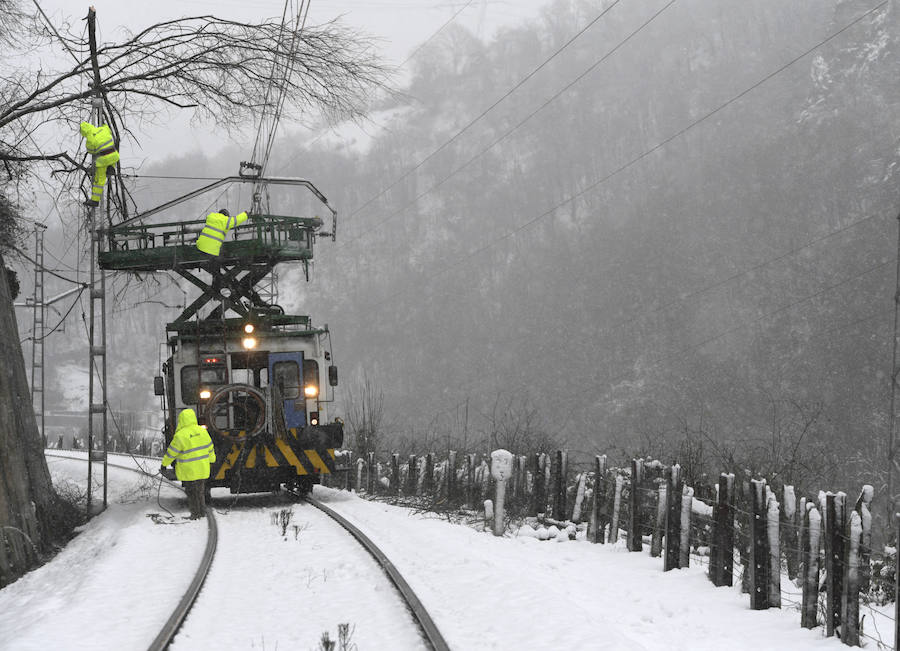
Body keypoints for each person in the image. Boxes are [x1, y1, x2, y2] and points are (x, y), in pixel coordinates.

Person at [161, 408, 216, 519]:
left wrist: (164, 464)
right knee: (200, 492)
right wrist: (212, 460)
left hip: (189, 471)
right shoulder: (202, 431)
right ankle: (201, 511)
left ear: (182, 420)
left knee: (191, 492)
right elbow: (210, 448)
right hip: (202, 469)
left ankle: (195, 514)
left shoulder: (181, 435)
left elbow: (171, 453)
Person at [79, 121, 120, 207]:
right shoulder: (102, 129)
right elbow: (108, 129)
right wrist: (103, 124)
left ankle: (95, 200)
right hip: (113, 155)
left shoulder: (90, 137)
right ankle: (111, 168)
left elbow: (91, 151)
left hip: (103, 160)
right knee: (111, 158)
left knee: (99, 180)